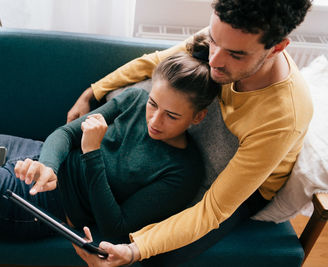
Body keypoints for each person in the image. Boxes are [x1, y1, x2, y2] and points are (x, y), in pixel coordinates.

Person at [70, 0, 314, 266]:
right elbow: (155, 62)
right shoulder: (225, 37)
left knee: (157, 256)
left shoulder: (283, 116)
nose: (214, 60)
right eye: (213, 41)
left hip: (249, 188)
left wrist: (136, 249)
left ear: (276, 48)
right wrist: (93, 92)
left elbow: (214, 209)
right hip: (195, 145)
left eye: (235, 55)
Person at [0, 49, 219, 242]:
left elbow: (115, 230)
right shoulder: (134, 100)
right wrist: (48, 167)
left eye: (172, 115)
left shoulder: (182, 171)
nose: (155, 119)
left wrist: (92, 153)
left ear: (198, 117)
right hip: (29, 155)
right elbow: (66, 134)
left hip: (35, 205)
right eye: (153, 104)